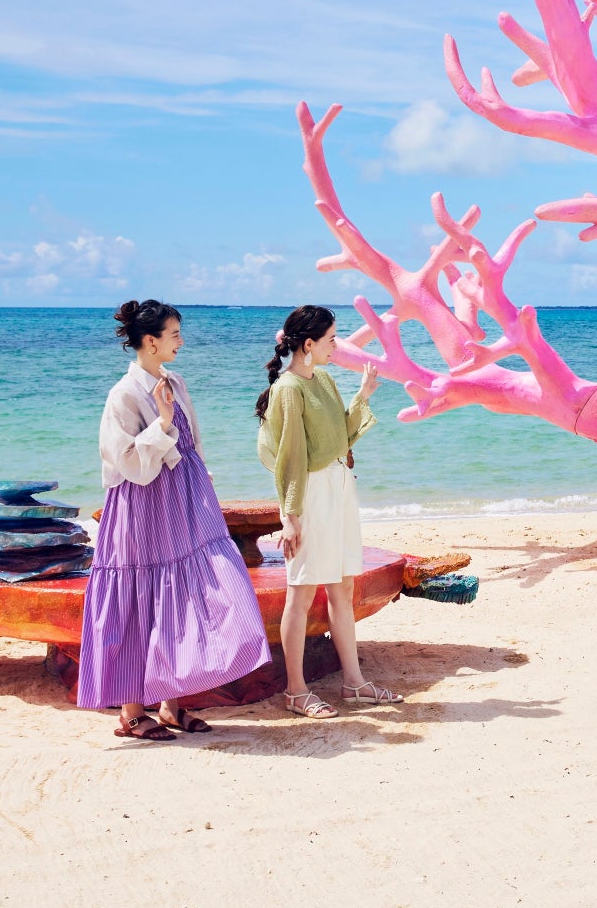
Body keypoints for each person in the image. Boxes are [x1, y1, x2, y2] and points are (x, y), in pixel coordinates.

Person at [81, 299, 272, 740]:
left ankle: (171, 704)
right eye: (174, 335)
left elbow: (193, 445)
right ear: (151, 341)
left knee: (194, 591)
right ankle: (131, 713)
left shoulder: (175, 381)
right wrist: (163, 422)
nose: (181, 341)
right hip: (141, 508)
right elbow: (126, 462)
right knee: (139, 598)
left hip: (184, 503)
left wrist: (202, 487)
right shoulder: (124, 394)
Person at [255, 305, 396, 719]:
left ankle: (354, 683)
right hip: (310, 495)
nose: (337, 345)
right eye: (332, 339)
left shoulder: (326, 379)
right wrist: (290, 515)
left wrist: (363, 396)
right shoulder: (288, 389)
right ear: (308, 344)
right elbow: (291, 457)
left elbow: (342, 436)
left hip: (338, 488)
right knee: (300, 592)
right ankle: (296, 690)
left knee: (342, 588)